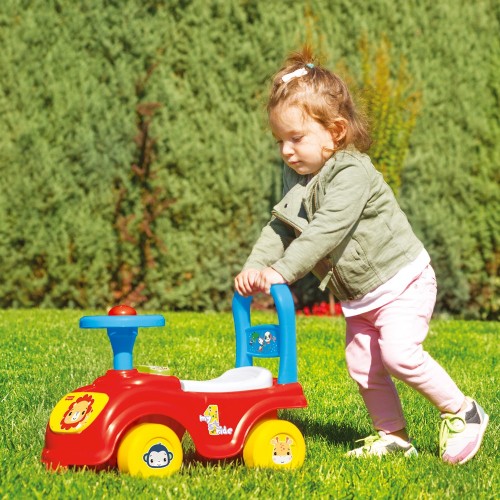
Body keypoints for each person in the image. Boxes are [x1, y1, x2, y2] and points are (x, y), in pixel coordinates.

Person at [234, 48, 488, 464]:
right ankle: (394, 436)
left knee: (399, 354)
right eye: (280, 140)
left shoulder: (352, 172)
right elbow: (281, 226)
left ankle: (463, 411)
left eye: (296, 138)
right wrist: (254, 268)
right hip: (361, 297)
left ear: (334, 131)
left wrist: (283, 271)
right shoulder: (298, 177)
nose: (286, 151)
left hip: (402, 281)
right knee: (362, 363)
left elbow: (327, 228)